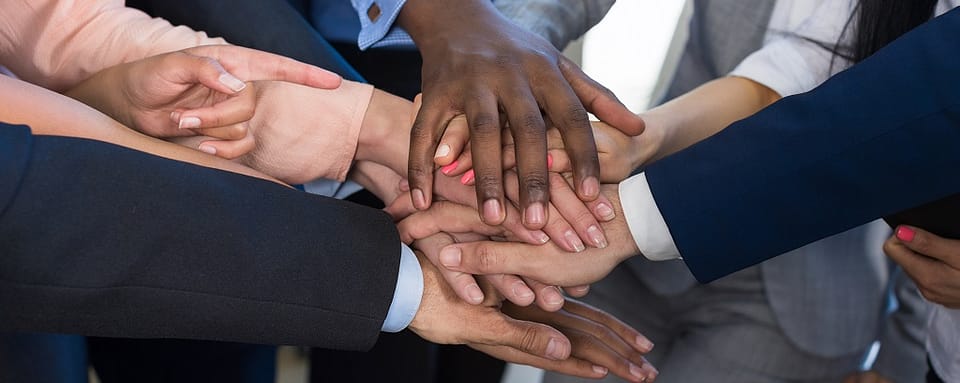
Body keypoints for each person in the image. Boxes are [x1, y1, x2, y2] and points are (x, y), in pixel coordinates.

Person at [416, 4, 960, 382]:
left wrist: (902, 355)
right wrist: (636, 139)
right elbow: (801, 70)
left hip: (801, 299)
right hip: (626, 265)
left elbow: (920, 112)